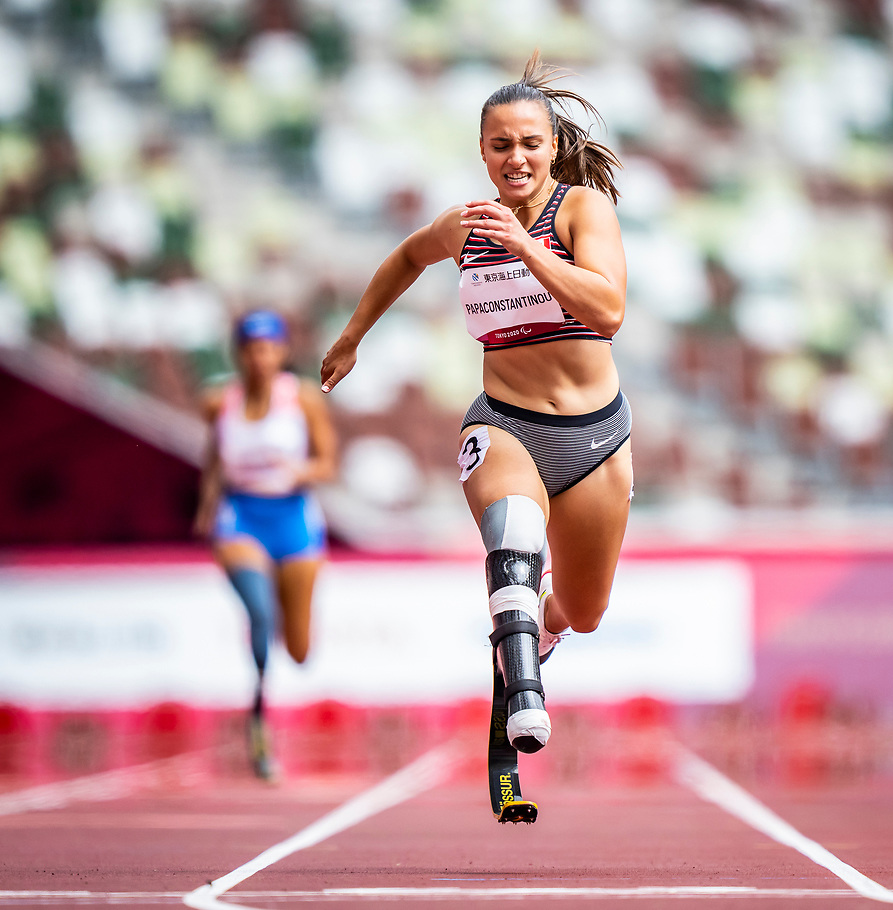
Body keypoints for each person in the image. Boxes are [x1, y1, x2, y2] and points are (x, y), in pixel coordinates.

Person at [320, 52, 631, 755]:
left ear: (552, 146)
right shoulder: (465, 224)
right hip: (506, 423)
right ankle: (522, 692)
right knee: (513, 532)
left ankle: (541, 630)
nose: (515, 158)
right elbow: (405, 257)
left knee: (585, 611)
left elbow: (608, 310)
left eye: (529, 143)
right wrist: (352, 335)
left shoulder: (582, 209)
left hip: (592, 438)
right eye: (500, 145)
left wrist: (526, 246)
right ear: (482, 152)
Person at [195, 309, 337, 781]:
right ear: (240, 354)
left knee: (298, 650)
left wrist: (304, 471)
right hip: (242, 517)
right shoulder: (220, 402)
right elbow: (214, 457)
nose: (260, 359)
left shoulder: (301, 400)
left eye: (269, 349)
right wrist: (207, 505)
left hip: (293, 519)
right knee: (259, 612)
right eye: (252, 350)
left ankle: (278, 614)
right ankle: (259, 728)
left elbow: (328, 463)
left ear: (281, 352)